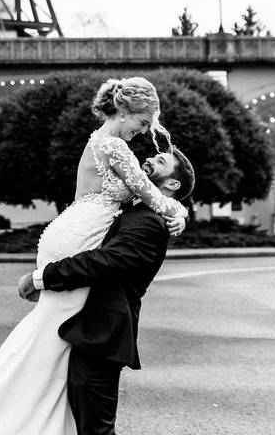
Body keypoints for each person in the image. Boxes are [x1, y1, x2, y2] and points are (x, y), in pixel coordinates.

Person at [0, 77, 188, 435]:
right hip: (78, 238)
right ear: (125, 111)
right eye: (143, 123)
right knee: (53, 337)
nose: (144, 133)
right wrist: (179, 214)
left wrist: (176, 207)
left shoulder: (99, 140)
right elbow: (151, 195)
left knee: (50, 337)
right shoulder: (116, 147)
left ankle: (18, 417)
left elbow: (140, 197)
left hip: (72, 228)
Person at [19, 143, 195, 435]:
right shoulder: (140, 209)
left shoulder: (150, 223)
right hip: (88, 328)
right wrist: (181, 213)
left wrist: (43, 277)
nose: (149, 159)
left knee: (95, 428)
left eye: (160, 161)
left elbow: (105, 262)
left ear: (173, 183)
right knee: (81, 422)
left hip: (102, 333)